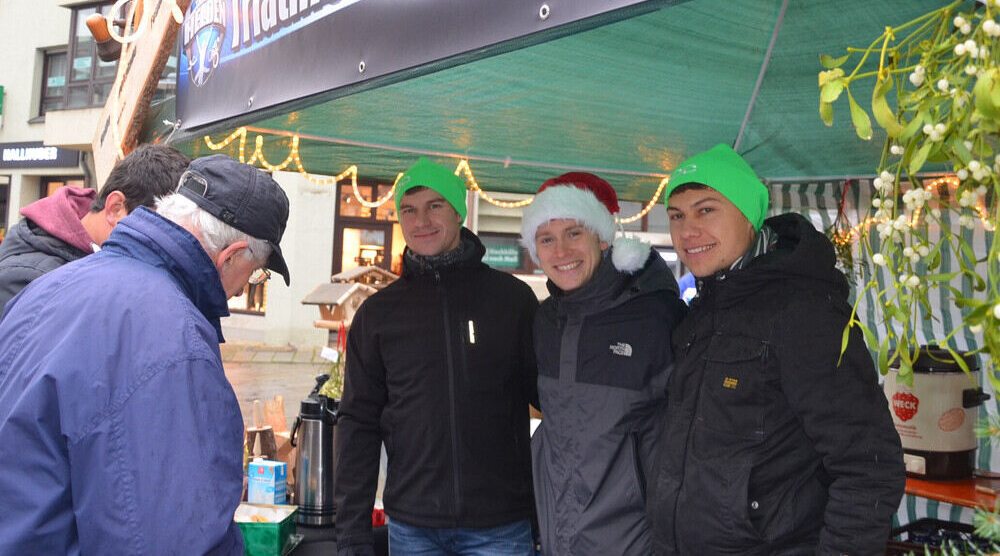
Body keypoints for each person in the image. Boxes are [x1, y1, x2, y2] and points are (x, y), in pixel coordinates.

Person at [0, 154, 290, 555]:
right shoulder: (176, 339)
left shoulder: (49, 287)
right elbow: (177, 537)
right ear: (229, 256)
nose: (244, 289)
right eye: (256, 272)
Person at [646, 144, 905, 556]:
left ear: (748, 216)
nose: (687, 231)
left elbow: (868, 466)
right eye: (676, 215)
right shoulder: (702, 311)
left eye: (706, 210)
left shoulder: (803, 312)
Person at [336, 157, 538, 556]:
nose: (420, 221)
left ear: (459, 212)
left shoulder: (512, 300)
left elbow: (557, 403)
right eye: (408, 210)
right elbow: (357, 425)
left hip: (500, 525)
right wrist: (352, 534)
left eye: (435, 206)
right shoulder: (379, 315)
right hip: (414, 527)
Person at [519, 172, 686, 555]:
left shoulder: (656, 316)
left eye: (574, 233)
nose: (561, 252)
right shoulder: (546, 321)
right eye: (547, 239)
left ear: (603, 236)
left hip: (635, 539)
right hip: (558, 535)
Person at [0, 143, 191, 314]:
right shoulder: (27, 280)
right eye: (155, 231)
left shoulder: (97, 265)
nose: (160, 247)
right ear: (115, 208)